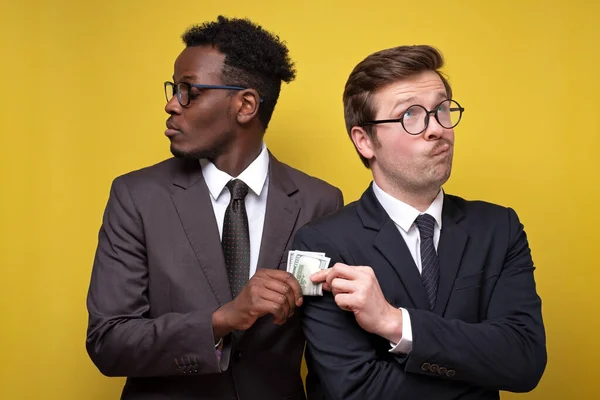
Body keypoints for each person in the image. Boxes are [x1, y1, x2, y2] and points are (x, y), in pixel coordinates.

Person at [86, 15, 343, 400]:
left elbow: (330, 345)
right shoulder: (136, 196)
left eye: (189, 90)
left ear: (245, 105)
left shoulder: (319, 202)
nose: (172, 104)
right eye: (174, 89)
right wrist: (220, 320)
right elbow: (108, 341)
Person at [293, 45, 546, 399]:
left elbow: (524, 362)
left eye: (442, 109)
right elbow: (356, 391)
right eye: (411, 115)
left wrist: (395, 323)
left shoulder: (499, 228)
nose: (437, 129)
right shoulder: (318, 244)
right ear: (364, 140)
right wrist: (478, 372)